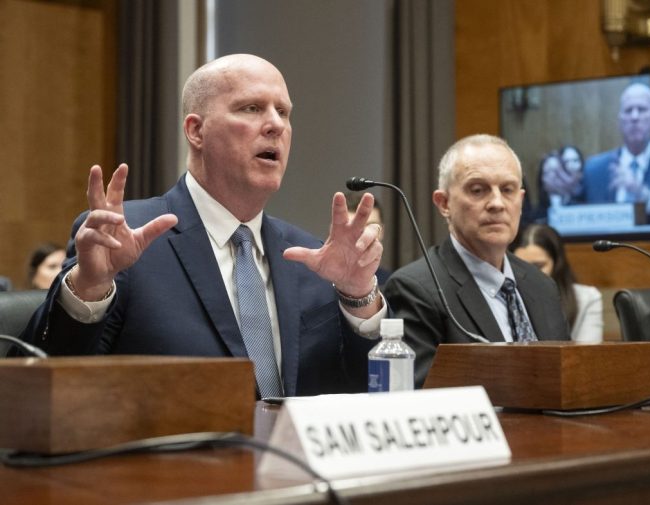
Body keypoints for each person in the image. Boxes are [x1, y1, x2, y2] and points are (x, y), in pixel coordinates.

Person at [20, 54, 386, 397]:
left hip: (293, 464)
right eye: (252, 108)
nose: (276, 125)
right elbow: (47, 377)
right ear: (196, 131)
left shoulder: (310, 258)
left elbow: (367, 393)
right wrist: (91, 286)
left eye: (284, 112)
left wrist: (357, 298)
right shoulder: (123, 239)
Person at [383, 134, 569, 387]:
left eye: (507, 190)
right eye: (478, 190)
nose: (496, 204)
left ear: (521, 201)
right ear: (444, 203)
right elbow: (426, 397)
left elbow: (566, 380)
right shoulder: (416, 289)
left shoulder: (542, 286)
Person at [546, 83, 650, 223]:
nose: (634, 117)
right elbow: (578, 216)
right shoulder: (594, 169)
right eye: (628, 110)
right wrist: (565, 194)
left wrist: (644, 195)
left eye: (642, 109)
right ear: (619, 121)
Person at [511, 224, 603, 343]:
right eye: (522, 266)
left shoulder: (587, 298)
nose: (529, 274)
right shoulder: (507, 298)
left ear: (557, 264)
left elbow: (588, 355)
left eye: (539, 266)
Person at [345, 191, 391, 285]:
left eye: (371, 227)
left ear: (382, 231)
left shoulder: (392, 284)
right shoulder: (320, 282)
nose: (364, 235)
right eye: (354, 227)